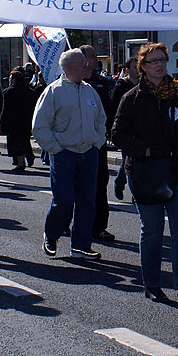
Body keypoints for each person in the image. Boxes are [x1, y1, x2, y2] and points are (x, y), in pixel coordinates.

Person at [114, 42, 178, 306]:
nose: (159, 65)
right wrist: (144, 151)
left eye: (162, 60)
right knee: (153, 230)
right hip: (145, 172)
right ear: (142, 67)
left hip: (176, 170)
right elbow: (117, 135)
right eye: (153, 61)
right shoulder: (131, 98)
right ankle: (152, 283)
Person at [32, 48, 105, 260]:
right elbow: (40, 125)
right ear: (70, 67)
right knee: (63, 199)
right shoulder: (54, 91)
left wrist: (97, 143)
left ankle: (81, 245)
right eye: (83, 63)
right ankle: (51, 234)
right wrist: (56, 149)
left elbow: (101, 119)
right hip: (65, 154)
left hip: (88, 153)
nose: (87, 66)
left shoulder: (90, 90)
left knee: (87, 201)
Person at [80, 45, 116, 242]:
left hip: (98, 143)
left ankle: (99, 226)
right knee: (76, 186)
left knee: (100, 185)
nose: (95, 58)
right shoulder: (72, 82)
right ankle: (69, 224)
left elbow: (109, 110)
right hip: (76, 144)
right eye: (92, 55)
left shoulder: (100, 82)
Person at [110, 56, 139, 200]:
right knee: (128, 159)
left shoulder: (144, 84)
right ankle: (122, 184)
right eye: (135, 67)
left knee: (136, 161)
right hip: (126, 130)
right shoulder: (121, 86)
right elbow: (113, 109)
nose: (138, 70)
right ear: (127, 70)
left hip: (140, 129)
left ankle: (136, 192)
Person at [1, 68, 37, 170]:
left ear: (14, 80)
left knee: (16, 143)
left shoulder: (8, 92)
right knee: (24, 140)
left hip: (13, 122)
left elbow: (4, 108)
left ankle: (21, 163)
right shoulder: (30, 91)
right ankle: (28, 157)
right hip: (26, 121)